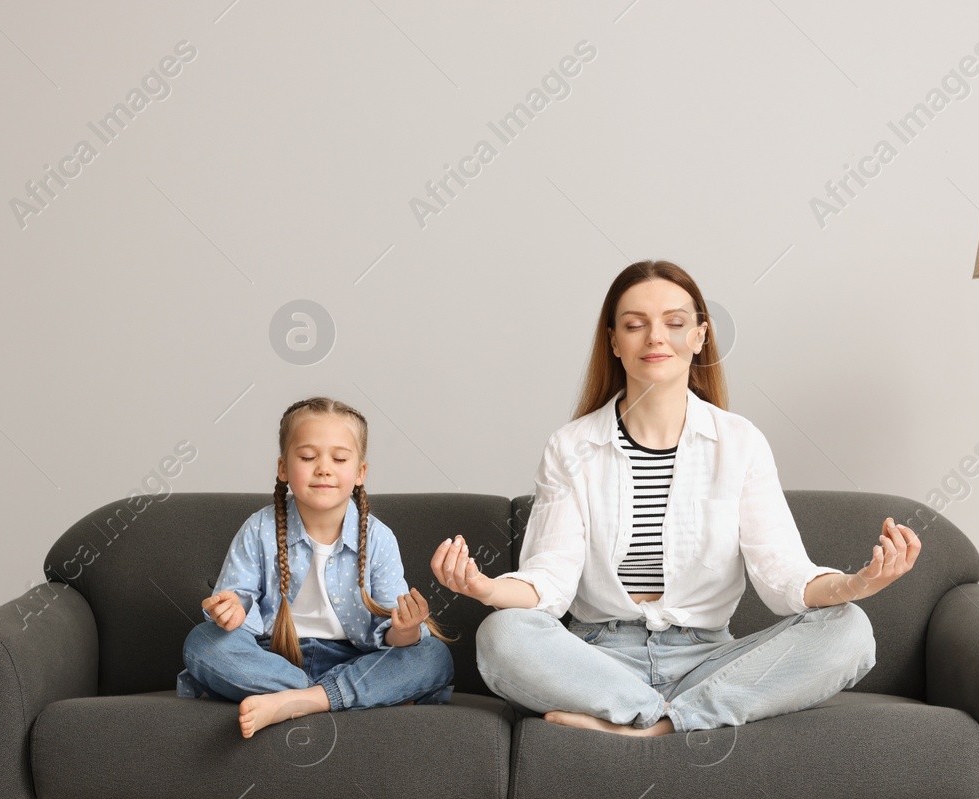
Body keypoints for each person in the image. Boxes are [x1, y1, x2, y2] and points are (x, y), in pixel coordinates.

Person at [429, 260, 921, 736]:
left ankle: (648, 723)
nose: (655, 337)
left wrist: (858, 584)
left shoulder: (740, 442)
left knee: (849, 629)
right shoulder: (570, 447)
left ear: (700, 336)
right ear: (614, 342)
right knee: (502, 634)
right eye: (635, 324)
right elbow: (549, 580)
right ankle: (673, 715)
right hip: (597, 660)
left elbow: (784, 577)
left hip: (707, 660)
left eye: (674, 322)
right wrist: (485, 589)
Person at [178, 396, 457, 738]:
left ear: (360, 472)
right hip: (272, 659)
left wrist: (408, 629)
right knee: (202, 642)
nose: (323, 467)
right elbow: (234, 606)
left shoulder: (379, 538)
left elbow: (396, 638)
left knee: (433, 655)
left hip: (355, 660)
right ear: (283, 468)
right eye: (308, 457)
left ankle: (299, 701)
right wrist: (232, 612)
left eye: (339, 458)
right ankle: (336, 696)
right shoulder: (258, 528)